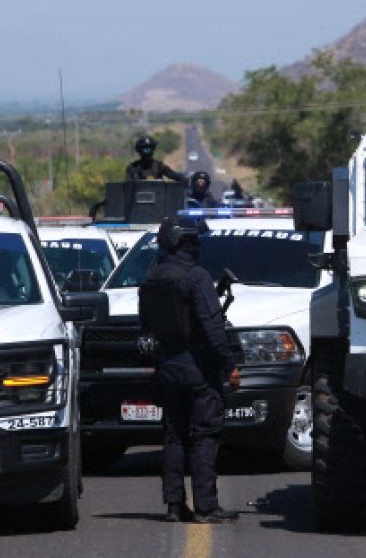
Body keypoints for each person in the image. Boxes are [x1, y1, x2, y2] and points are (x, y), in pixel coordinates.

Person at [139, 215, 241, 524]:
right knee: (205, 435)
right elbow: (213, 327)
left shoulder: (151, 277)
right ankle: (206, 507)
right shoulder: (195, 276)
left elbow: (145, 327)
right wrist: (230, 365)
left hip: (167, 367)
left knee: (173, 436)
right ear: (188, 242)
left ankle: (174, 505)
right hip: (197, 368)